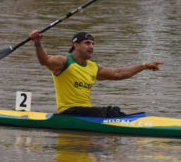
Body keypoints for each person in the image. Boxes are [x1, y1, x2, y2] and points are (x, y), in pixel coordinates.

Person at [29, 30, 164, 117]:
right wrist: (38, 43)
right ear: (76, 46)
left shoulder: (93, 67)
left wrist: (144, 66)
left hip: (86, 112)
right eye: (87, 43)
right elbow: (45, 60)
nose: (92, 46)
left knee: (114, 111)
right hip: (69, 112)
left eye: (93, 43)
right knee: (107, 112)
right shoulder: (64, 61)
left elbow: (118, 73)